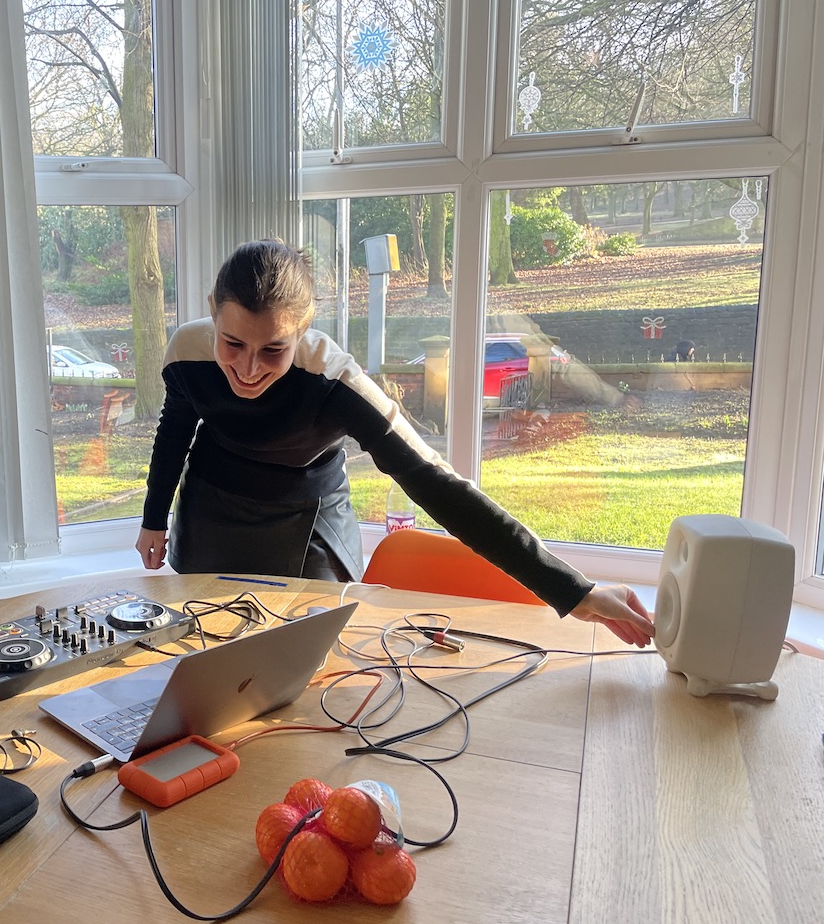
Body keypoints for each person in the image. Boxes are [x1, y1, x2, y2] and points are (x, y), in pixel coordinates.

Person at [135, 239, 654, 649]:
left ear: (304, 329)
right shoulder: (186, 349)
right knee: (201, 645)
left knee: (310, 652)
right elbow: (175, 430)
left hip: (306, 517)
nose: (248, 368)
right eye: (233, 343)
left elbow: (434, 482)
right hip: (212, 509)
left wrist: (573, 590)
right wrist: (153, 518)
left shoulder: (336, 381)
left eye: (274, 348)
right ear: (213, 312)